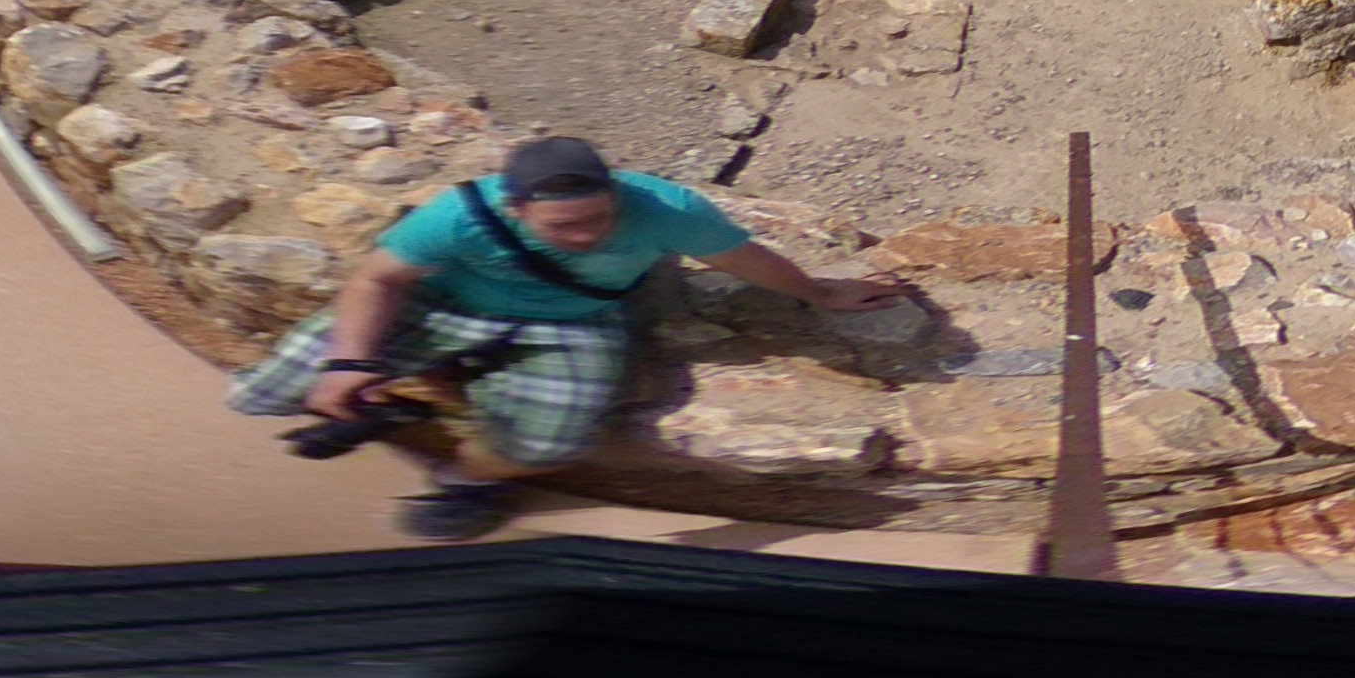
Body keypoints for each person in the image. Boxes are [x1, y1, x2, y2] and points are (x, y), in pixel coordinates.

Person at [229, 134, 908, 540]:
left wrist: (820, 293)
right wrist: (348, 362)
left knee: (545, 441)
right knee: (267, 392)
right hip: (445, 305)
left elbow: (743, 259)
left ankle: (468, 479)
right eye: (564, 227)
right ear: (514, 207)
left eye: (598, 219)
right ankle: (408, 398)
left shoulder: (667, 208)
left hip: (570, 319)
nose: (586, 236)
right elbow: (377, 280)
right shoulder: (458, 215)